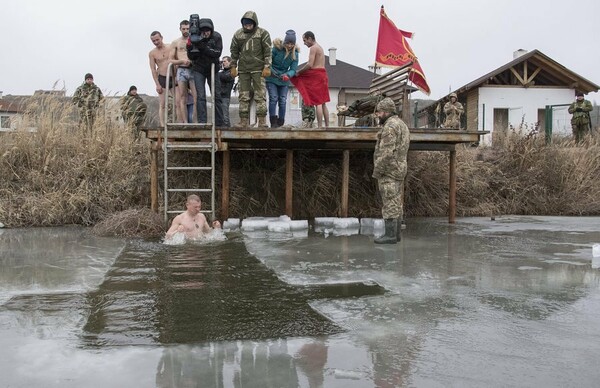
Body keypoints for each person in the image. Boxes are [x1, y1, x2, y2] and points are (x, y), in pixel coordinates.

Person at [372, 97, 410, 244]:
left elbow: (386, 153)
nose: (378, 115)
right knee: (396, 200)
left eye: (380, 112)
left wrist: (377, 170)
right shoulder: (402, 125)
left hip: (389, 170)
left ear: (387, 112)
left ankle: (390, 235)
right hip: (400, 168)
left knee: (389, 200)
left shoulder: (390, 127)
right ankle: (397, 234)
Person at [229, 11, 272, 128]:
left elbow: (268, 51)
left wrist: (267, 66)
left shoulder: (263, 33)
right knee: (243, 96)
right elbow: (234, 51)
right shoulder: (238, 34)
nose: (247, 26)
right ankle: (243, 121)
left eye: (250, 24)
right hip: (243, 70)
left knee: (260, 95)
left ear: (254, 23)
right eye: (245, 24)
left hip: (258, 70)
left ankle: (262, 121)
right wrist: (233, 66)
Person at [187, 18, 225, 126]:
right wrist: (190, 46)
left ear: (211, 30)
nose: (206, 33)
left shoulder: (217, 37)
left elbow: (217, 53)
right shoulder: (194, 37)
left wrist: (203, 46)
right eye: (203, 30)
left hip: (213, 69)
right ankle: (202, 122)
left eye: (208, 30)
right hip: (199, 69)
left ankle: (219, 123)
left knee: (217, 95)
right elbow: (191, 56)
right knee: (201, 96)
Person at [291, 31, 330, 128]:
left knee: (318, 103)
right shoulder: (320, 47)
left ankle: (320, 126)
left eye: (305, 40)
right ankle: (327, 126)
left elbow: (310, 64)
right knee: (323, 102)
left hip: (316, 75)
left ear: (309, 38)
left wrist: (299, 72)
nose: (304, 43)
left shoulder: (313, 48)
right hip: (323, 75)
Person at [266, 30, 299, 128]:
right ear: (284, 42)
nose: (289, 46)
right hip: (272, 78)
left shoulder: (295, 54)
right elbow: (268, 62)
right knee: (273, 98)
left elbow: (293, 69)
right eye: (288, 43)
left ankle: (281, 121)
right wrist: (272, 71)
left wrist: (288, 75)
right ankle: (273, 120)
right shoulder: (276, 49)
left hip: (284, 79)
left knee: (283, 100)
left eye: (292, 44)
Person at [170, 20, 196, 123]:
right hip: (181, 69)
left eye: (187, 28)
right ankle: (185, 122)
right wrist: (181, 61)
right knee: (182, 97)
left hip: (193, 69)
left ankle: (195, 121)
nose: (185, 31)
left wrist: (192, 61)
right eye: (183, 29)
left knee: (196, 96)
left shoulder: (194, 40)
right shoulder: (176, 42)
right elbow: (170, 59)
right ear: (180, 29)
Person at [149, 31, 173, 127]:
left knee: (179, 102)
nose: (156, 42)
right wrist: (157, 84)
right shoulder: (152, 53)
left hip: (173, 77)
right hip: (162, 77)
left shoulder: (170, 47)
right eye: (153, 41)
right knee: (162, 104)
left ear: (161, 38)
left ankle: (180, 122)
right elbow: (153, 69)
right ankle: (163, 125)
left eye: (157, 40)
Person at [219, 56, 235, 127]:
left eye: (225, 61)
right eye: (222, 62)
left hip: (225, 95)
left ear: (229, 62)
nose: (223, 63)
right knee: (220, 114)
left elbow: (225, 77)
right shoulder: (222, 72)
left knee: (225, 115)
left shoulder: (232, 71)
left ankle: (227, 127)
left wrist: (217, 72)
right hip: (219, 95)